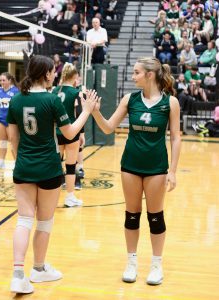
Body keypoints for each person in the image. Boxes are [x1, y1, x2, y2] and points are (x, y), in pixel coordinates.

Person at [6, 55, 98, 294]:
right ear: (46, 74)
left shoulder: (15, 100)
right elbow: (70, 134)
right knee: (44, 222)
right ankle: (38, 268)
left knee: (24, 220)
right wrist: (87, 111)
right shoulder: (51, 100)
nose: (54, 75)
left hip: (24, 167)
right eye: (52, 72)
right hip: (48, 168)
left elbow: (13, 140)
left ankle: (18, 273)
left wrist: (23, 162)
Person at [92, 57, 181, 285]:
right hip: (130, 165)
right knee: (131, 215)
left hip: (157, 168)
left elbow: (176, 138)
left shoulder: (170, 103)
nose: (133, 76)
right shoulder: (129, 99)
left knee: (155, 216)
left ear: (149, 75)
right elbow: (108, 127)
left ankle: (156, 265)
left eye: (136, 72)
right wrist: (95, 112)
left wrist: (172, 170)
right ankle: (131, 263)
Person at [52, 63, 84, 206]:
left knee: (55, 166)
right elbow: (79, 114)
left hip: (56, 132)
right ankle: (69, 197)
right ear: (75, 77)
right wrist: (82, 133)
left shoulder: (53, 91)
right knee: (70, 166)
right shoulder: (75, 92)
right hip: (71, 131)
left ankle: (51, 197)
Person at [0, 72, 19, 170]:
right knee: (2, 141)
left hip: (11, 120)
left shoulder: (15, 91)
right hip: (1, 119)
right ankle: (1, 161)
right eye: (0, 80)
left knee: (13, 142)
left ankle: (17, 163)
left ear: (9, 80)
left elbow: (19, 105)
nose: (1, 82)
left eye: (3, 80)